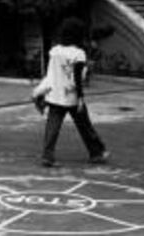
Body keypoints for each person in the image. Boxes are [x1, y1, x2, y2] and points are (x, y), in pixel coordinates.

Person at [32, 17, 109, 167]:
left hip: (55, 95)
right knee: (85, 126)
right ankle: (96, 153)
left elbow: (51, 75)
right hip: (72, 96)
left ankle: (47, 156)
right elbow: (78, 79)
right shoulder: (79, 54)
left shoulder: (54, 51)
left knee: (52, 127)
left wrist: (41, 91)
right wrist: (80, 98)